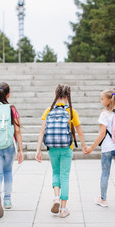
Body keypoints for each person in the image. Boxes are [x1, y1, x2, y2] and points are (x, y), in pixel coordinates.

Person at [35, 84, 86, 218]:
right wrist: (84, 146)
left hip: (52, 148)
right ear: (68, 96)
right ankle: (63, 209)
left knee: (55, 172)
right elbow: (79, 131)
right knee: (65, 176)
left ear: (55, 95)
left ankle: (56, 197)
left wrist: (38, 150)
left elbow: (42, 131)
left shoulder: (49, 110)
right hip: (66, 148)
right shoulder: (71, 111)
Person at [85, 88, 115, 213]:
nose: (101, 101)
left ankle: (103, 199)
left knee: (105, 174)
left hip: (107, 148)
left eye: (102, 99)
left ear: (108, 100)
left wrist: (91, 148)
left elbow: (102, 134)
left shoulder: (104, 114)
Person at [0, 82, 24, 218]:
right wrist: (20, 149)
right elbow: (17, 130)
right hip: (9, 145)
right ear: (8, 94)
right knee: (8, 171)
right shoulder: (12, 108)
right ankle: (7, 199)